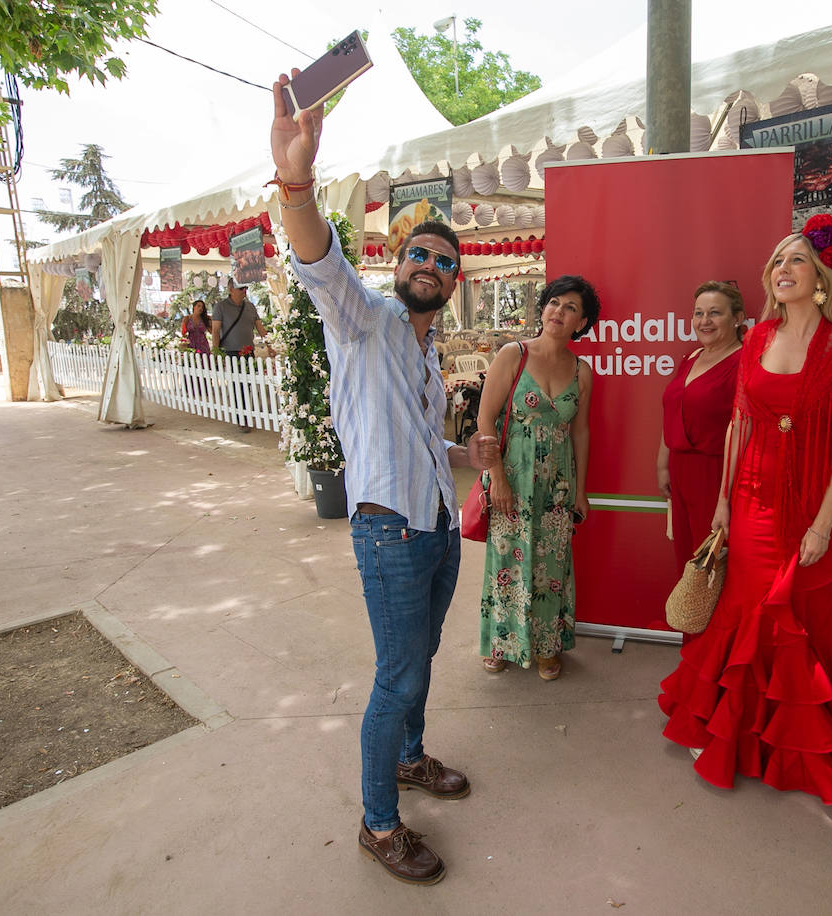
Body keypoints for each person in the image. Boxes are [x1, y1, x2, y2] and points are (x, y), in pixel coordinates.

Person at [269, 70, 500, 886]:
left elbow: (413, 434)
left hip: (435, 523)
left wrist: (458, 457)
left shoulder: (429, 354)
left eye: (443, 259)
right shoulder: (361, 319)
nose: (429, 264)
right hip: (388, 528)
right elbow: (315, 259)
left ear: (455, 279)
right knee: (397, 671)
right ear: (395, 263)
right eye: (417, 253)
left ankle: (409, 757)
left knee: (423, 656)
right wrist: (296, 181)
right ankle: (377, 823)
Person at [657, 215, 832, 805]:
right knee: (743, 612)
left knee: (800, 618)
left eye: (796, 260)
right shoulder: (756, 339)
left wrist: (824, 523)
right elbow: (740, 424)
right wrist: (725, 499)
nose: (783, 270)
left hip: (810, 502)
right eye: (777, 261)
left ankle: (795, 748)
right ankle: (735, 732)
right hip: (751, 497)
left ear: (822, 276)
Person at [478, 276, 599, 680]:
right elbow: (484, 419)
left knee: (551, 566)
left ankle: (547, 646)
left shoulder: (582, 371)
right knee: (507, 562)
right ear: (543, 307)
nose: (558, 312)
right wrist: (497, 477)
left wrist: (581, 491)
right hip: (512, 479)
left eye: (570, 308)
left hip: (558, 487)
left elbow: (580, 432)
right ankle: (502, 642)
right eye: (553, 303)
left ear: (581, 323)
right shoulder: (513, 355)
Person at [658, 281, 744, 569]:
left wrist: (726, 493)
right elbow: (671, 411)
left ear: (737, 319)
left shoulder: (744, 362)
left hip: (716, 474)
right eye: (698, 313)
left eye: (714, 313)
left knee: (711, 562)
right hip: (679, 472)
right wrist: (663, 464)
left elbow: (746, 429)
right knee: (686, 559)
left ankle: (715, 617)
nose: (704, 321)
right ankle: (692, 616)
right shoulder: (691, 357)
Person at [211, 281, 268, 432]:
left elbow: (260, 328)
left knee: (247, 385)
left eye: (246, 288)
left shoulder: (250, 307)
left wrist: (270, 345)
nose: (244, 291)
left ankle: (246, 414)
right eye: (240, 288)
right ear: (231, 290)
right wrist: (216, 352)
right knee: (237, 386)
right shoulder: (221, 307)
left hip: (248, 352)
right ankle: (242, 419)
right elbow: (215, 330)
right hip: (231, 352)